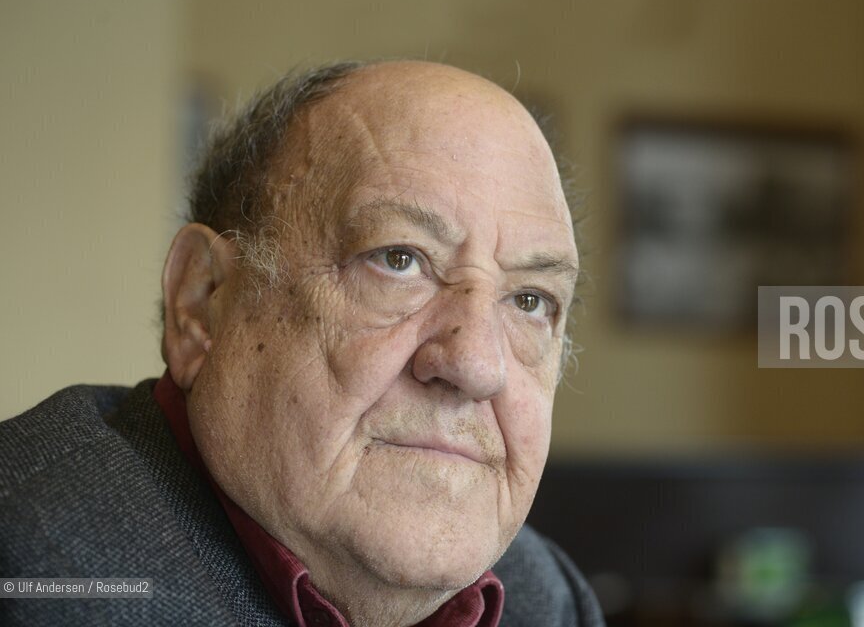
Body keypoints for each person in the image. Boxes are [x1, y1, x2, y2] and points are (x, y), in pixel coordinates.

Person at [0, 61, 604, 627]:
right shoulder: (30, 563)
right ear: (201, 303)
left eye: (530, 300)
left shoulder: (548, 600)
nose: (475, 363)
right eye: (399, 260)